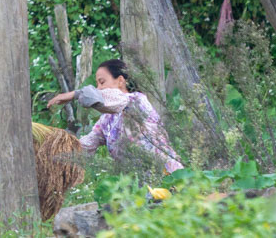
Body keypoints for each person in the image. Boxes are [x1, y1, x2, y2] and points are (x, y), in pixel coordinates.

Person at [46, 58, 184, 175]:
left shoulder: (136, 101)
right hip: (142, 184)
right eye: (97, 84)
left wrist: (74, 94)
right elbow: (85, 146)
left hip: (169, 177)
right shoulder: (107, 120)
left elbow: (100, 99)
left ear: (120, 81)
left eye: (102, 82)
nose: (99, 88)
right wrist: (51, 151)